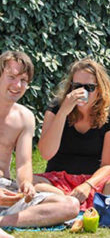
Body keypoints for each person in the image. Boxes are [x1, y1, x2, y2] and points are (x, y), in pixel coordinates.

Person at [34, 58, 110, 210]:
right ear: (70, 88)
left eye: (90, 87)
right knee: (27, 182)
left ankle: (67, 203)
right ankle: (75, 202)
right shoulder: (56, 109)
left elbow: (108, 165)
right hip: (57, 182)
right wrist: (63, 113)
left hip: (93, 183)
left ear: (99, 90)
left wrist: (87, 186)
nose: (82, 91)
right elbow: (46, 153)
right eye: (77, 86)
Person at [0, 51, 80, 238]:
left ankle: (3, 222)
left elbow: (24, 163)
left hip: (6, 190)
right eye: (11, 77)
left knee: (70, 205)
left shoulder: (25, 117)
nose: (17, 85)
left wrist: (26, 184)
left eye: (23, 80)